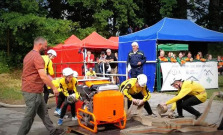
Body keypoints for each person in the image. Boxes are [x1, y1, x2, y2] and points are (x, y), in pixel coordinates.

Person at [17, 37, 64, 135]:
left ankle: (52, 130)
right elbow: (43, 75)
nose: (46, 47)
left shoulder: (28, 55)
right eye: (45, 45)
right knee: (29, 116)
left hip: (35, 90)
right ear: (40, 45)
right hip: (32, 91)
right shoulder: (37, 57)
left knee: (44, 112)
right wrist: (54, 88)